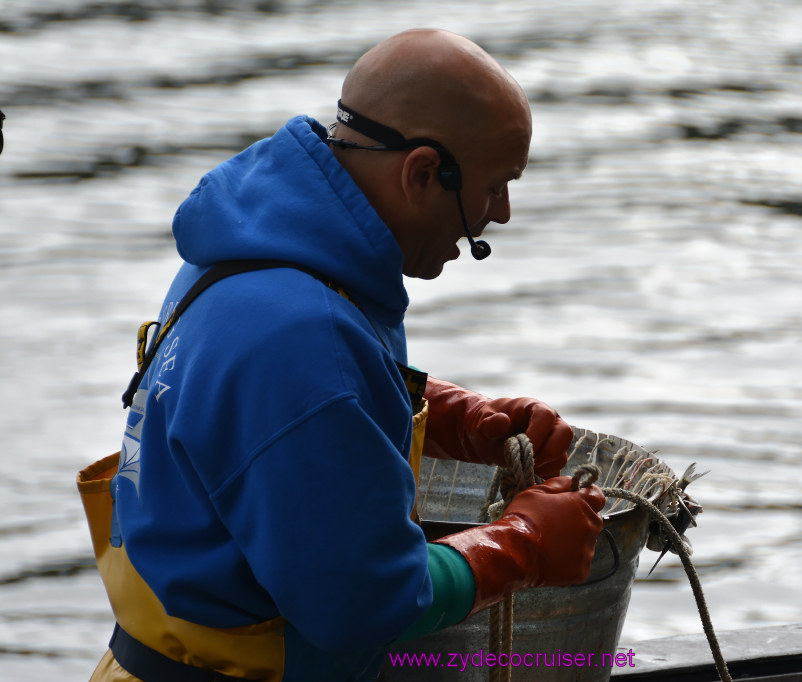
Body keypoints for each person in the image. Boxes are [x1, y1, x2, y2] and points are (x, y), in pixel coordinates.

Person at [77, 28, 606, 682]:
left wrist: (453, 415)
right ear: (420, 173)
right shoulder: (301, 341)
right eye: (495, 186)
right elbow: (363, 600)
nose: (500, 213)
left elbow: (269, 414)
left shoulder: (250, 253)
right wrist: (523, 544)